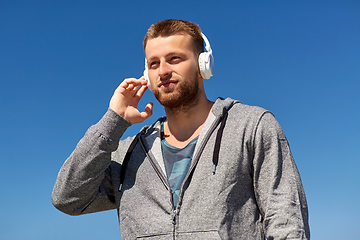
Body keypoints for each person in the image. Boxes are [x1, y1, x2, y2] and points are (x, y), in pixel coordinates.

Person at [52, 19, 310, 240]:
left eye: (175, 59)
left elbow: (287, 221)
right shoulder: (129, 153)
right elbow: (68, 198)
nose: (163, 71)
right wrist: (113, 122)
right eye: (153, 64)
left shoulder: (251, 126)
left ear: (203, 64)